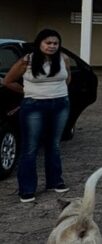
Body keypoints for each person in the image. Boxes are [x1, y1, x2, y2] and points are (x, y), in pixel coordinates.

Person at [1, 29, 72, 203]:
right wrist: (27, 91)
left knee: (54, 144)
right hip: (34, 106)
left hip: (60, 105)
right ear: (39, 43)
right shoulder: (27, 61)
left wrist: (57, 91)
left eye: (55, 43)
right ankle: (27, 189)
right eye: (48, 43)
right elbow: (8, 81)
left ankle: (55, 182)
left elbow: (67, 79)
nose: (52, 46)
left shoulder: (63, 58)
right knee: (30, 147)